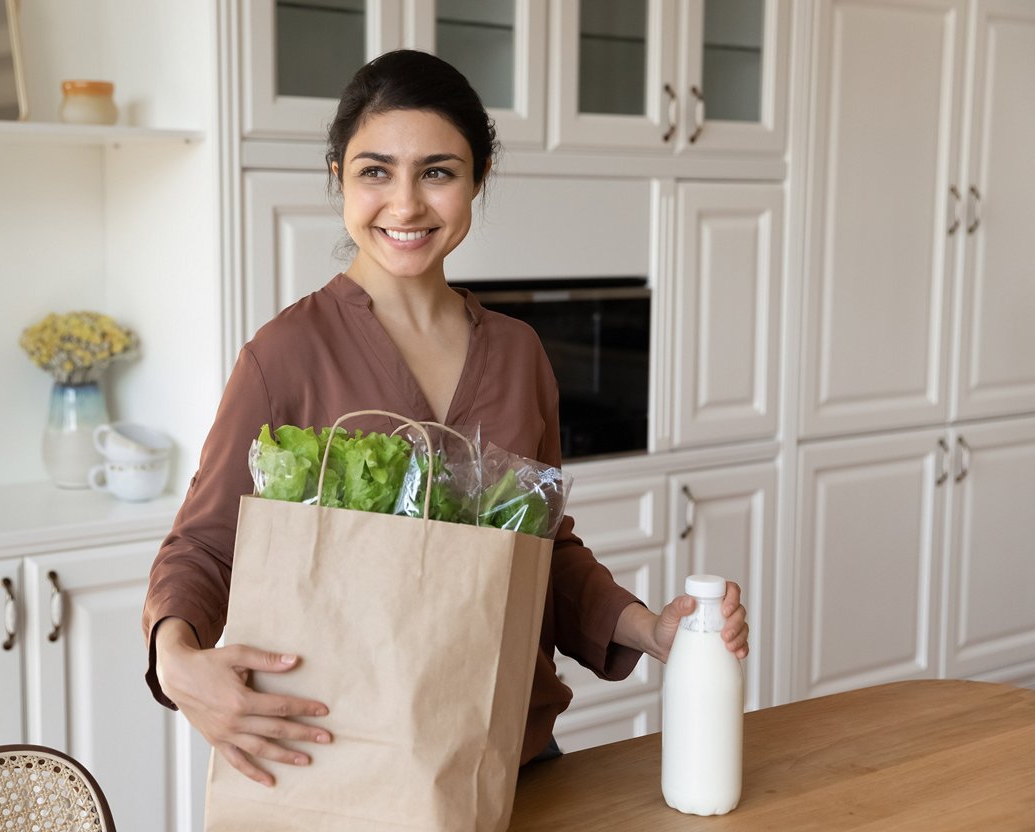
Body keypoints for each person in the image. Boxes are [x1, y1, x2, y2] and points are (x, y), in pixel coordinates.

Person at [142, 49, 749, 788]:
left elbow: (543, 557)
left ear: (477, 181)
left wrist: (649, 629)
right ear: (338, 176)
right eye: (375, 171)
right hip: (342, 763)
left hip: (509, 755)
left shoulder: (521, 355)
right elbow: (205, 547)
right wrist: (177, 662)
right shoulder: (286, 355)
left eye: (437, 172)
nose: (405, 205)